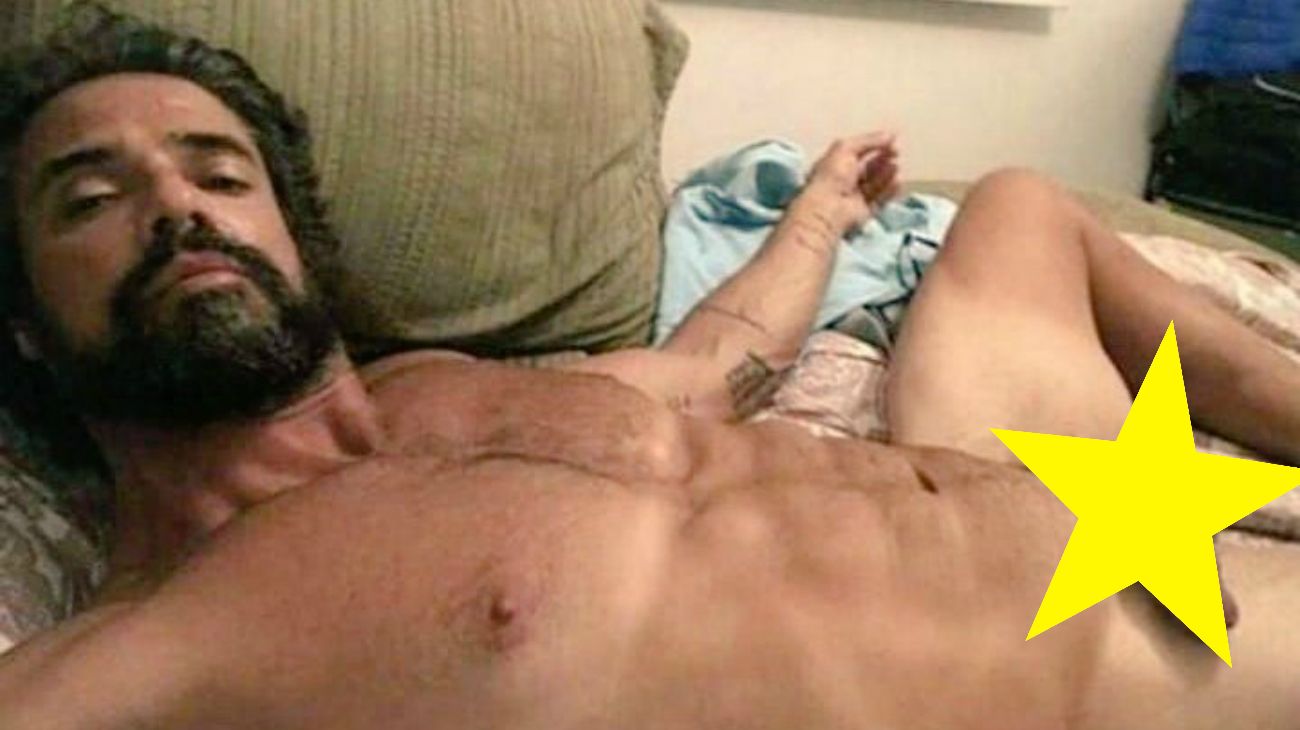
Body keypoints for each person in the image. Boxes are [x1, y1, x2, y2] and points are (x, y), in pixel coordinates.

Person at [0, 5, 1298, 729]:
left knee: (1015, 205)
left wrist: (821, 214)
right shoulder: (162, 639)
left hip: (1084, 512)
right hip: (1120, 678)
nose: (177, 206)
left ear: (291, 231)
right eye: (90, 197)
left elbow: (722, 360)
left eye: (220, 175)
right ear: (21, 320)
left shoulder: (452, 385)